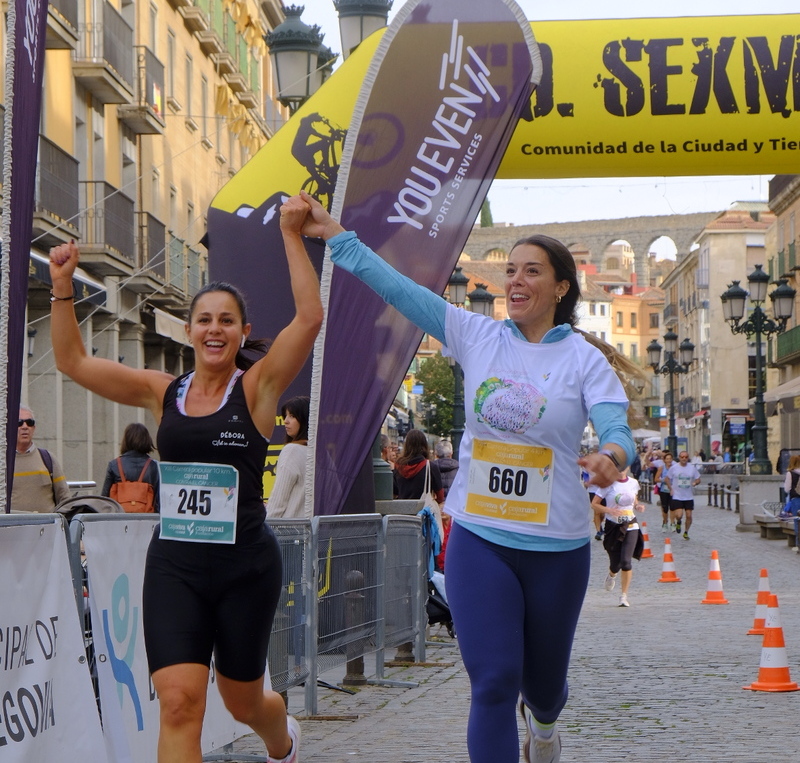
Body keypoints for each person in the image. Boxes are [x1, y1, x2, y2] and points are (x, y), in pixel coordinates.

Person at [290, 191, 636, 763]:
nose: (516, 281)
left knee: (544, 688)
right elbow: (399, 289)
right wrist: (337, 237)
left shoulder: (583, 359)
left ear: (561, 288)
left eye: (532, 272)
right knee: (495, 682)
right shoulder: (476, 336)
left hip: (557, 544)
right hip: (480, 538)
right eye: (510, 271)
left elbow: (615, 426)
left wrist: (613, 457)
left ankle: (545, 727)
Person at [48, 192, 322, 763]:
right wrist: (62, 287)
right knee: (178, 703)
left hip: (246, 566)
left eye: (226, 321)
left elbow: (310, 317)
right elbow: (74, 362)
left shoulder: (258, 389)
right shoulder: (161, 391)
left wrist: (292, 237)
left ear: (243, 332)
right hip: (176, 565)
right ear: (189, 330)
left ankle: (283, 738)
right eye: (204, 321)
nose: (214, 330)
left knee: (244, 701)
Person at [592, 468, 645, 607]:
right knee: (616, 563)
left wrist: (638, 505)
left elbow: (634, 499)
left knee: (626, 562)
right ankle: (612, 574)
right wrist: (609, 510)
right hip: (613, 526)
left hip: (630, 524)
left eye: (624, 466)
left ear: (628, 468)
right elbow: (594, 504)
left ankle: (624, 596)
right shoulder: (607, 484)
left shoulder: (633, 483)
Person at [11, 406, 71, 512]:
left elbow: (65, 498)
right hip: (12, 527)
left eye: (29, 422)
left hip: (46, 527)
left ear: (34, 428)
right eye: (19, 422)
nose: (25, 427)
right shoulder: (4, 463)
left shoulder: (48, 458)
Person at [267, 396, 311, 519]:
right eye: (285, 416)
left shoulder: (292, 450)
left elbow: (278, 500)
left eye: (292, 416)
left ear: (304, 419)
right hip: (315, 532)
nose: (285, 421)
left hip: (289, 532)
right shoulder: (323, 455)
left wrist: (268, 525)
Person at [101, 422, 160, 511]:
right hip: (147, 520)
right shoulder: (154, 466)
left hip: (119, 520)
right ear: (147, 440)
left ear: (126, 440)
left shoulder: (114, 465)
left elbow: (104, 500)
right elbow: (160, 500)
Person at [664, 450, 702, 540]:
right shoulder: (674, 468)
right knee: (679, 515)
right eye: (682, 457)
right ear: (679, 458)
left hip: (688, 496)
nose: (684, 459)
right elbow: (666, 479)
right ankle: (678, 522)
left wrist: (695, 483)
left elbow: (698, 478)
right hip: (677, 495)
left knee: (689, 515)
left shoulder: (692, 468)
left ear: (688, 458)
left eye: (686, 457)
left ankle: (686, 532)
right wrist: (670, 488)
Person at [654, 451, 672, 531]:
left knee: (673, 507)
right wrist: (663, 480)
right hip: (664, 490)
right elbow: (656, 479)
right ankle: (665, 522)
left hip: (672, 490)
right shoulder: (661, 468)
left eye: (670, 459)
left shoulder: (674, 467)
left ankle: (673, 523)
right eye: (667, 459)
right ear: (664, 460)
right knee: (665, 508)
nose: (669, 460)